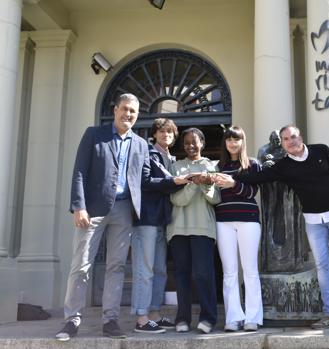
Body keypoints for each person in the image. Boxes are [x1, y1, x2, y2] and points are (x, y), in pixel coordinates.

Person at [233, 124, 329, 330]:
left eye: (293, 136)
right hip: (313, 221)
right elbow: (258, 177)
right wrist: (231, 175)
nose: (291, 141)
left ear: (300, 136)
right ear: (283, 144)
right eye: (286, 139)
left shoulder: (322, 150)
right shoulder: (284, 166)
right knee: (323, 267)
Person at [56, 93, 150, 341]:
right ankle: (72, 320)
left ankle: (110, 320)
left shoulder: (140, 144)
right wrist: (79, 205)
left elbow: (148, 179)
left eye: (133, 111)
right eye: (125, 109)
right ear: (115, 109)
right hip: (93, 210)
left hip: (124, 210)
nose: (128, 114)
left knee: (117, 267)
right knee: (81, 265)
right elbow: (79, 171)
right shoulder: (94, 134)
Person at [131, 118, 189, 333]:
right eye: (162, 131)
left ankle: (154, 313)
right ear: (155, 134)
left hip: (164, 219)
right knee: (144, 270)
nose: (166, 135)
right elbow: (144, 182)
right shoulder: (147, 152)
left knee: (160, 270)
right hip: (146, 218)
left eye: (170, 133)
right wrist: (173, 182)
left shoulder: (171, 159)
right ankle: (142, 318)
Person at [167, 127, 221, 334]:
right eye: (186, 142)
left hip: (203, 228)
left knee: (203, 274)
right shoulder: (175, 167)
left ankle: (208, 318)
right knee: (181, 275)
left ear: (202, 143)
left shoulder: (211, 165)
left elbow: (216, 198)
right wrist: (193, 184)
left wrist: (206, 185)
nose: (190, 146)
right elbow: (176, 199)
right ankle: (182, 319)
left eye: (194, 142)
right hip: (178, 229)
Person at [213, 126, 263, 332]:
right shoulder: (217, 166)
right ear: (224, 143)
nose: (233, 143)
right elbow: (214, 196)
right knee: (229, 272)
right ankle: (233, 317)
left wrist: (233, 183)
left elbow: (252, 191)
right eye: (229, 140)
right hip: (223, 220)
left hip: (248, 219)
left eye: (236, 139)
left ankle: (253, 317)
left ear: (243, 141)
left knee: (250, 270)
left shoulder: (252, 164)